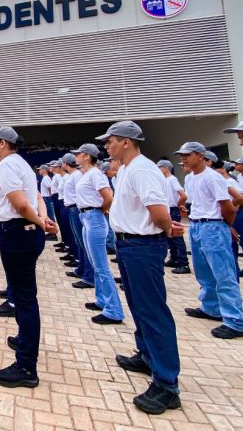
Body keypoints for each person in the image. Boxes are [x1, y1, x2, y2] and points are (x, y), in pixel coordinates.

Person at [96, 121, 182, 415]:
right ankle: (147, 356)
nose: (107, 147)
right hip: (130, 245)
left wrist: (168, 229)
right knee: (138, 305)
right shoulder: (128, 169)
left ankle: (167, 384)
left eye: (111, 141)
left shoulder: (143, 169)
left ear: (127, 142)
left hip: (143, 246)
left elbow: (159, 213)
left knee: (152, 311)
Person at [0, 127, 56, 388]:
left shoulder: (7, 165)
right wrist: (43, 219)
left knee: (24, 299)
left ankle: (26, 365)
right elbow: (35, 198)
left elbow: (21, 204)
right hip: (21, 232)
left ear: (3, 143)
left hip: (17, 233)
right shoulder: (21, 165)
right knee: (24, 295)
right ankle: (25, 339)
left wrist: (41, 222)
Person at [176, 142, 243, 339]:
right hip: (197, 225)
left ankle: (235, 319)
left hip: (212, 226)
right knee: (203, 270)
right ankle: (211, 307)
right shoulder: (189, 178)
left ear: (200, 155)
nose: (183, 158)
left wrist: (224, 226)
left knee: (224, 273)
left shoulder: (213, 177)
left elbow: (228, 207)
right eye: (182, 155)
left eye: (187, 155)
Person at [72, 143, 124, 324]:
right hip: (86, 216)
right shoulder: (88, 174)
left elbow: (108, 197)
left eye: (78, 154)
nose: (76, 157)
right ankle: (102, 299)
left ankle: (114, 310)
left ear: (87, 156)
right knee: (95, 263)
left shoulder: (95, 174)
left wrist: (100, 210)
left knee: (102, 266)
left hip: (93, 217)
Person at [62, 153, 95, 289]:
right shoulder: (73, 175)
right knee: (79, 242)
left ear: (65, 163)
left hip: (76, 208)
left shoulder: (76, 175)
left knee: (83, 243)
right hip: (72, 209)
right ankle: (81, 269)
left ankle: (88, 275)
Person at [157, 160, 190, 274]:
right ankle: (174, 258)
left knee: (177, 237)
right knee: (169, 236)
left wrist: (179, 204)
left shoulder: (172, 179)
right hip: (167, 209)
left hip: (173, 209)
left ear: (166, 168)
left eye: (160, 167)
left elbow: (183, 195)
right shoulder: (164, 180)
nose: (159, 169)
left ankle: (184, 263)